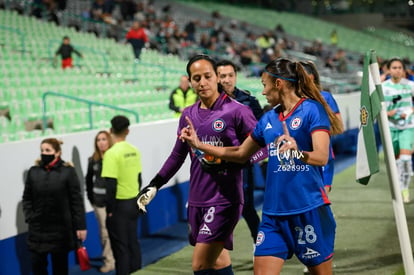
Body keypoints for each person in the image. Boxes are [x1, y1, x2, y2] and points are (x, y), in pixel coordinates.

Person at [180, 58, 343, 274]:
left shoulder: (312, 110)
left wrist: (298, 152)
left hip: (308, 208)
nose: (263, 92)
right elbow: (239, 153)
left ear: (279, 84)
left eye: (265, 85)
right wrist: (200, 145)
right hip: (272, 214)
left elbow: (321, 157)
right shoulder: (268, 119)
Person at [137, 54, 257, 275]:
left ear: (217, 78)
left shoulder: (238, 111)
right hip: (197, 198)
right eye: (196, 78)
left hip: (225, 199)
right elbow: (177, 155)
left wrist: (227, 161)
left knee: (200, 264)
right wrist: (155, 184)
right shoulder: (188, 114)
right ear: (190, 81)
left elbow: (261, 150)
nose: (202, 83)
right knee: (218, 261)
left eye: (207, 76)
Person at [22, 138, 87, 275]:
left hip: (61, 231)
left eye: (48, 150)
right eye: (42, 150)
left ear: (57, 153)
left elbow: (76, 201)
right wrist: (30, 217)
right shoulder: (33, 172)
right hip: (38, 230)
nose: (44, 153)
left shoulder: (68, 172)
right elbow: (27, 198)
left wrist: (80, 226)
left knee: (60, 268)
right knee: (38, 267)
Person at [217, 59, 263, 244]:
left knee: (247, 207)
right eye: (222, 76)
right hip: (216, 166)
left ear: (235, 77)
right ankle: (217, 251)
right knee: (220, 209)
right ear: (216, 78)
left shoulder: (249, 100)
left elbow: (261, 131)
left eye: (230, 75)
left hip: (242, 164)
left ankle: (258, 244)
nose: (227, 80)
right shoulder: (207, 102)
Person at [101, 115, 142, 274]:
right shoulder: (134, 151)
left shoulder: (111, 154)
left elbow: (110, 185)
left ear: (111, 130)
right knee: (133, 243)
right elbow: (139, 178)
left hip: (119, 206)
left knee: (121, 249)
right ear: (127, 131)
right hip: (134, 202)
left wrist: (109, 209)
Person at [300, 61, 344, 193]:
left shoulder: (325, 97)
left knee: (320, 198)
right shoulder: (292, 100)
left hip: (322, 156)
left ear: (311, 77)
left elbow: (339, 127)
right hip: (299, 157)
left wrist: (316, 131)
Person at [382, 57, 414, 203]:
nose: (397, 70)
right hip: (391, 128)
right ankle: (398, 188)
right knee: (396, 163)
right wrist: (388, 113)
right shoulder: (382, 87)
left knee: (406, 160)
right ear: (389, 70)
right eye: (394, 67)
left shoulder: (410, 85)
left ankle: (405, 190)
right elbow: (376, 109)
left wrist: (409, 111)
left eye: (400, 67)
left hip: (407, 127)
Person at [85, 130, 115, 273]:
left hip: (115, 202)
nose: (101, 142)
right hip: (99, 203)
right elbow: (88, 180)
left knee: (117, 230)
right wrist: (91, 198)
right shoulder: (93, 160)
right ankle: (109, 261)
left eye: (104, 139)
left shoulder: (115, 157)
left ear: (109, 140)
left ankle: (118, 257)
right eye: (98, 140)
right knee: (104, 232)